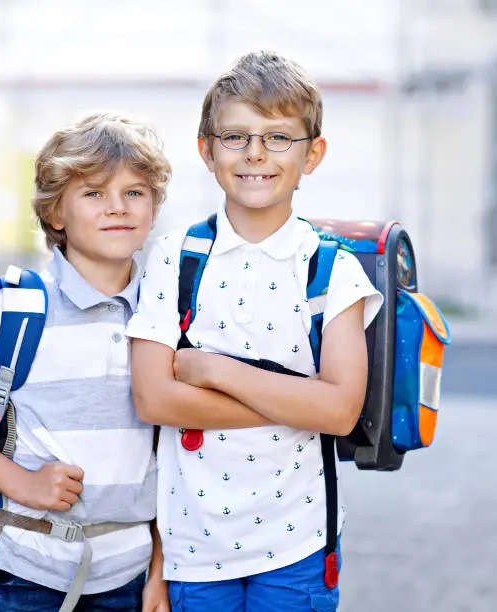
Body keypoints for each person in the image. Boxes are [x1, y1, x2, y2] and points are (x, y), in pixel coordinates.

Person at [126, 50, 384, 611]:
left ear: (313, 154)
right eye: (236, 136)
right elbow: (152, 399)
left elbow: (340, 413)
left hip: (299, 548)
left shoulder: (332, 269)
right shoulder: (176, 257)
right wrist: (299, 399)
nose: (256, 154)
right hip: (192, 547)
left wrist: (214, 371)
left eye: (278, 137)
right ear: (207, 149)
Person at [0, 112, 172, 612]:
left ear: (153, 207)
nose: (117, 208)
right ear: (56, 213)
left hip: (131, 571)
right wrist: (24, 484)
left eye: (135, 192)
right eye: (94, 193)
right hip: (28, 566)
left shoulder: (167, 313)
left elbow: (175, 457)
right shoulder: (20, 309)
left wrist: (161, 573)